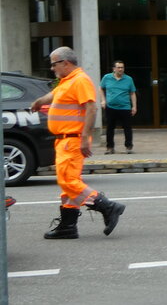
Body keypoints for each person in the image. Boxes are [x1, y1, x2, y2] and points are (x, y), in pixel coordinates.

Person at [29, 47, 127, 239]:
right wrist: (39, 102)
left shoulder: (80, 80)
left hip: (72, 139)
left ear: (65, 63)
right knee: (68, 184)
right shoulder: (67, 81)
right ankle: (68, 226)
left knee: (68, 181)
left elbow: (91, 108)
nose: (52, 68)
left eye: (54, 64)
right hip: (65, 140)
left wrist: (84, 138)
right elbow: (53, 96)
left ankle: (107, 206)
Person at [98, 60, 137, 153]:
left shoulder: (128, 79)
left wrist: (134, 106)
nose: (120, 69)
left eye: (122, 67)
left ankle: (128, 146)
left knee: (127, 128)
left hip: (125, 107)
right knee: (110, 128)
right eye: (118, 67)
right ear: (114, 69)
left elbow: (132, 93)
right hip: (111, 107)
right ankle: (110, 147)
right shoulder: (107, 77)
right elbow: (101, 88)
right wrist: (103, 100)